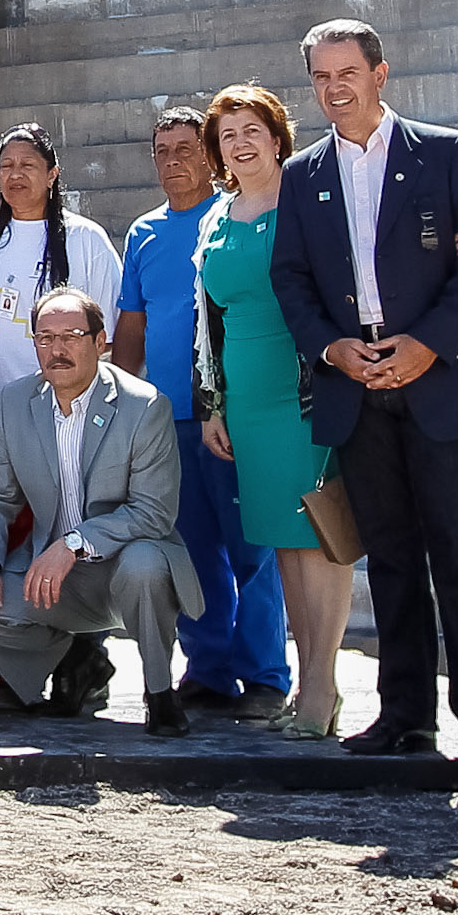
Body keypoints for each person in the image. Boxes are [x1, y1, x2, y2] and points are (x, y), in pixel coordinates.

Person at [271, 16, 458, 761]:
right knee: (392, 558)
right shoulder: (303, 172)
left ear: (380, 72)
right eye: (321, 76)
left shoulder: (442, 153)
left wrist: (427, 344)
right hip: (355, 385)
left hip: (437, 380)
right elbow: (291, 275)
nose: (334, 88)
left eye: (347, 72)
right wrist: (330, 347)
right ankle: (406, 714)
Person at [0, 287, 197, 736]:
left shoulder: (145, 406)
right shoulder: (15, 402)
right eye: (45, 338)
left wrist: (75, 542)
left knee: (145, 563)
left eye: (72, 336)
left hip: (125, 566)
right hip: (55, 577)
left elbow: (153, 513)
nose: (57, 350)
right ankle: (77, 660)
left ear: (101, 342)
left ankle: (160, 694)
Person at [120, 102, 292, 722]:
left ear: (209, 156)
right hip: (167, 419)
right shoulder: (142, 232)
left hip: (235, 408)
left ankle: (267, 674)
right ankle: (210, 668)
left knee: (253, 545)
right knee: (191, 549)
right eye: (162, 152)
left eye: (187, 150)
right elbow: (131, 327)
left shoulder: (232, 214)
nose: (173, 163)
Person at [195, 83, 352, 736]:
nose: (241, 141)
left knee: (320, 536)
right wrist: (213, 404)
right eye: (228, 134)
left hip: (307, 390)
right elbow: (209, 322)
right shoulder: (214, 217)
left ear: (277, 135)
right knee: (284, 545)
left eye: (251, 128)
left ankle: (322, 685)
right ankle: (306, 678)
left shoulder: (311, 199)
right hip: (248, 399)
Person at [0, 125, 120, 392]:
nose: (15, 174)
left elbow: (109, 337)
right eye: (6, 166)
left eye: (28, 165)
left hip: (62, 404)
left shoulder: (86, 238)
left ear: (52, 175)